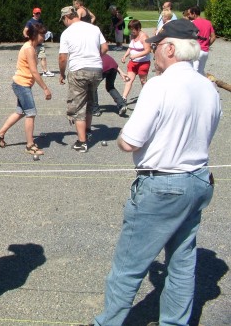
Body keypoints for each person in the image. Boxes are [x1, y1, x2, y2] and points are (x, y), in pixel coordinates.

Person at [89, 19, 221, 326]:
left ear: (171, 49)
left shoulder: (159, 86)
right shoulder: (208, 87)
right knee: (181, 263)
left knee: (128, 266)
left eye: (157, 46)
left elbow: (131, 141)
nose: (154, 51)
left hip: (162, 183)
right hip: (198, 179)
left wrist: (122, 140)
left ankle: (107, 322)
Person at [0, 20, 52, 155]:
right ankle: (30, 145)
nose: (44, 38)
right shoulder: (29, 49)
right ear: (35, 35)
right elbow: (34, 72)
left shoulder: (30, 46)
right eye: (42, 35)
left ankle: (0, 134)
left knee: (20, 112)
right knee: (31, 113)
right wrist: (45, 88)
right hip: (22, 85)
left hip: (21, 84)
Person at [58, 6, 108, 153]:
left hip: (78, 70)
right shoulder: (94, 28)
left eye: (63, 20)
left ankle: (82, 142)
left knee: (78, 105)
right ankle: (87, 130)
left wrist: (62, 73)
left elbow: (62, 58)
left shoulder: (67, 33)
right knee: (90, 100)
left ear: (67, 17)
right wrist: (94, 57)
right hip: (96, 69)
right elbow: (105, 48)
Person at [120, 19, 151, 104]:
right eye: (130, 29)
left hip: (143, 62)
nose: (131, 31)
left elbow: (148, 50)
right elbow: (131, 47)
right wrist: (125, 56)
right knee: (129, 79)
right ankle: (124, 98)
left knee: (143, 81)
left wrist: (135, 56)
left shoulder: (144, 37)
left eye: (133, 29)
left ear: (138, 28)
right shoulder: (132, 36)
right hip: (133, 63)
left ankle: (147, 97)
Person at [93, 53, 129, 117]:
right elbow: (111, 61)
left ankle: (95, 110)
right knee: (110, 87)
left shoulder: (89, 50)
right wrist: (121, 72)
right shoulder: (99, 48)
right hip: (113, 66)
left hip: (103, 67)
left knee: (93, 88)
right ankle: (122, 105)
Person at [23, 7, 54, 77]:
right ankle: (29, 71)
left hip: (40, 43)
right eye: (36, 13)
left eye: (39, 13)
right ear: (33, 14)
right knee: (33, 58)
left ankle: (45, 71)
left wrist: (47, 33)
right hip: (33, 44)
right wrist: (27, 37)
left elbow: (42, 30)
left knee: (43, 57)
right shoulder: (30, 22)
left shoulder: (40, 21)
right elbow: (25, 31)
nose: (38, 14)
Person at [187, 5, 216, 75]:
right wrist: (207, 44)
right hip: (205, 52)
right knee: (201, 72)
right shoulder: (208, 22)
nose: (188, 16)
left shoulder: (193, 23)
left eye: (189, 14)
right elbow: (213, 37)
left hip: (196, 51)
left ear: (194, 14)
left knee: (194, 73)